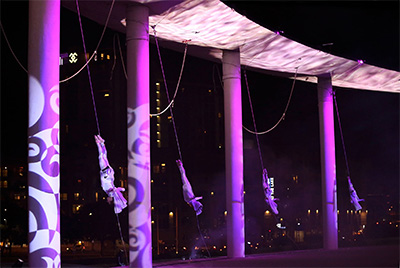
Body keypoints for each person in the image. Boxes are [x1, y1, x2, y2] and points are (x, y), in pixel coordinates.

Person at [95, 135, 127, 214]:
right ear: (112, 200)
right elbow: (115, 191)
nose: (107, 200)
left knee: (104, 156)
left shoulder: (112, 193)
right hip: (106, 173)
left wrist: (122, 189)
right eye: (108, 201)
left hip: (108, 173)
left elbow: (117, 189)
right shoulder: (112, 193)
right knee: (101, 156)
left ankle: (102, 143)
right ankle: (98, 143)